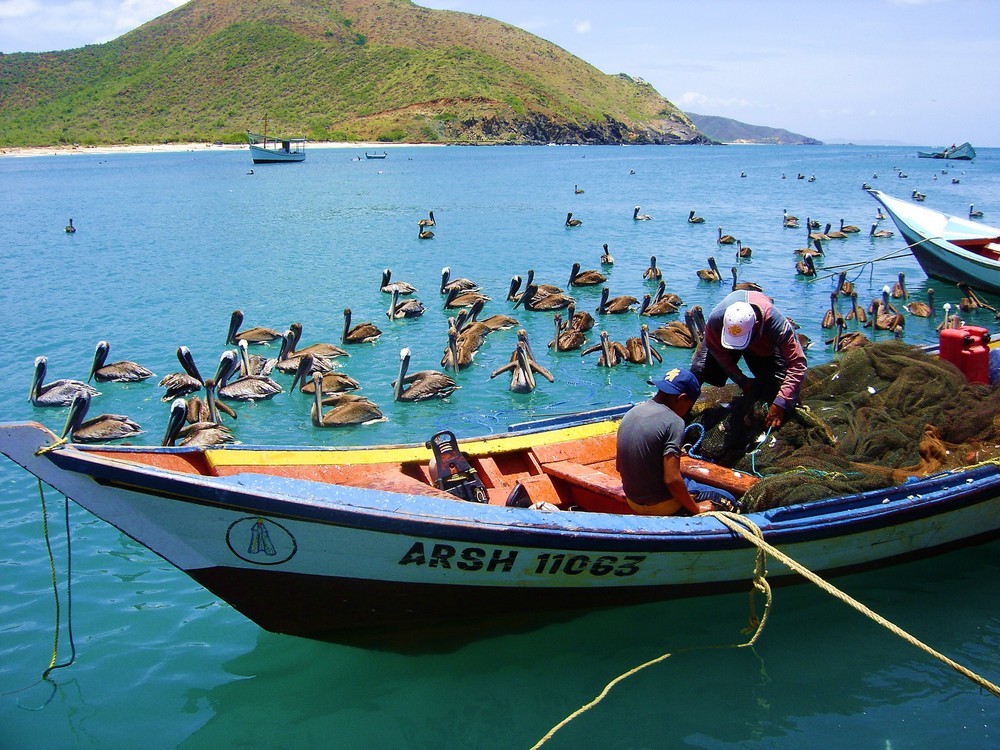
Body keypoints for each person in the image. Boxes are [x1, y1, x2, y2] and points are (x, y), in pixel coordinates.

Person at [616, 367, 736, 516]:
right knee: (728, 498)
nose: (687, 411)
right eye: (689, 405)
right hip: (661, 505)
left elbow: (619, 466)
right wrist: (696, 508)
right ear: (682, 398)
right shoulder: (675, 422)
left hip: (633, 501)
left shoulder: (631, 413)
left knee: (688, 481)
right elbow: (672, 479)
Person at [690, 290, 806, 429]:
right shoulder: (716, 320)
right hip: (730, 337)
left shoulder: (776, 324)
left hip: (761, 341)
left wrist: (782, 401)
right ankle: (683, 415)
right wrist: (741, 380)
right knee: (699, 369)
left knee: (778, 387)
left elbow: (798, 364)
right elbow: (718, 352)